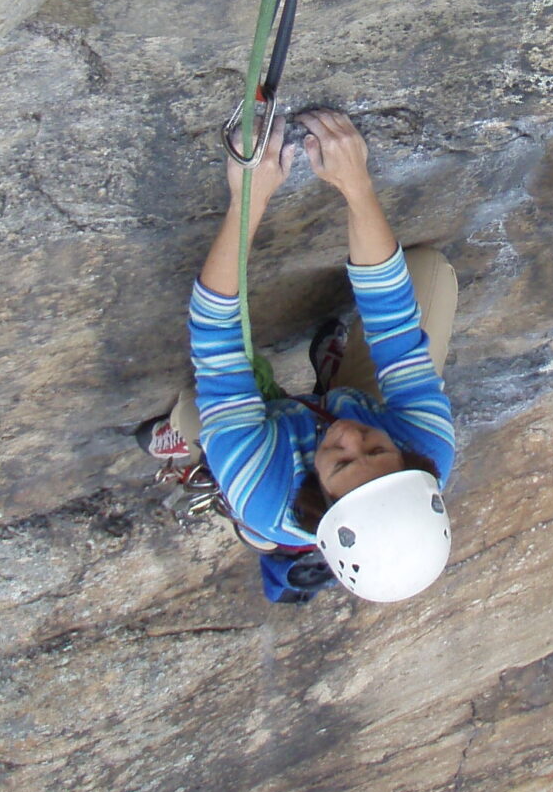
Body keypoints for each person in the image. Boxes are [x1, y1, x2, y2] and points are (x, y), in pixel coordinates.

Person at [150, 108, 457, 604]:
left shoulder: (262, 489)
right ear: (410, 462)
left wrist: (247, 201)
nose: (350, 438)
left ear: (321, 494)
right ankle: (333, 382)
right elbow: (395, 325)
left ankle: (187, 453)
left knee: (194, 408)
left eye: (339, 462)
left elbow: (214, 336)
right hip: (344, 406)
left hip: (262, 452)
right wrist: (356, 183)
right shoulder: (430, 449)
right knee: (430, 274)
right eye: (378, 449)